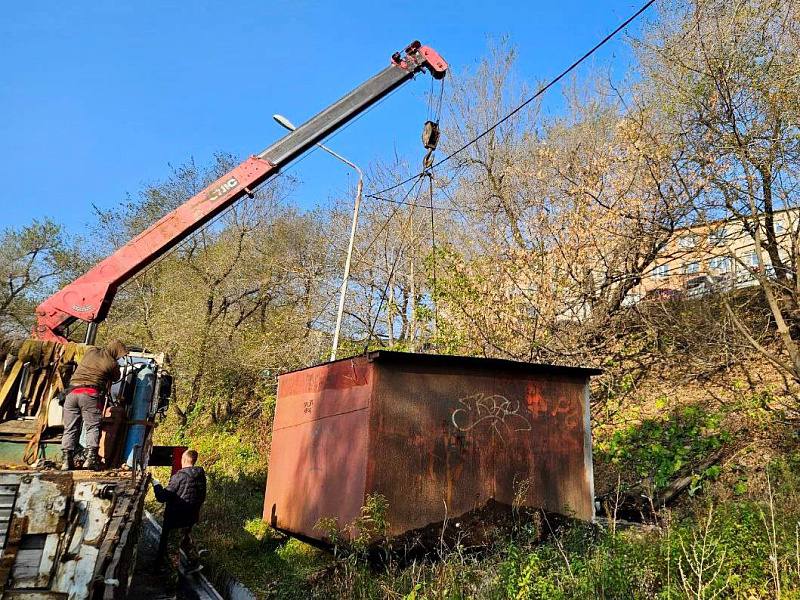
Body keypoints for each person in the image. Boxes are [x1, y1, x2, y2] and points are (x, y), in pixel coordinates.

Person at [61, 339, 128, 470]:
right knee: (92, 427)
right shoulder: (111, 363)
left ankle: (66, 460)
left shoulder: (91, 351)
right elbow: (116, 377)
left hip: (71, 393)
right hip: (89, 394)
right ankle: (90, 459)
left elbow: (86, 352)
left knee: (70, 427)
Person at [152, 449, 207, 573]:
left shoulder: (179, 477)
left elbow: (162, 497)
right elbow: (202, 496)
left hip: (175, 519)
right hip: (191, 517)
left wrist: (156, 485)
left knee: (172, 550)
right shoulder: (200, 475)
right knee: (185, 540)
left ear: (183, 460)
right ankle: (195, 563)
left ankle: (172, 582)